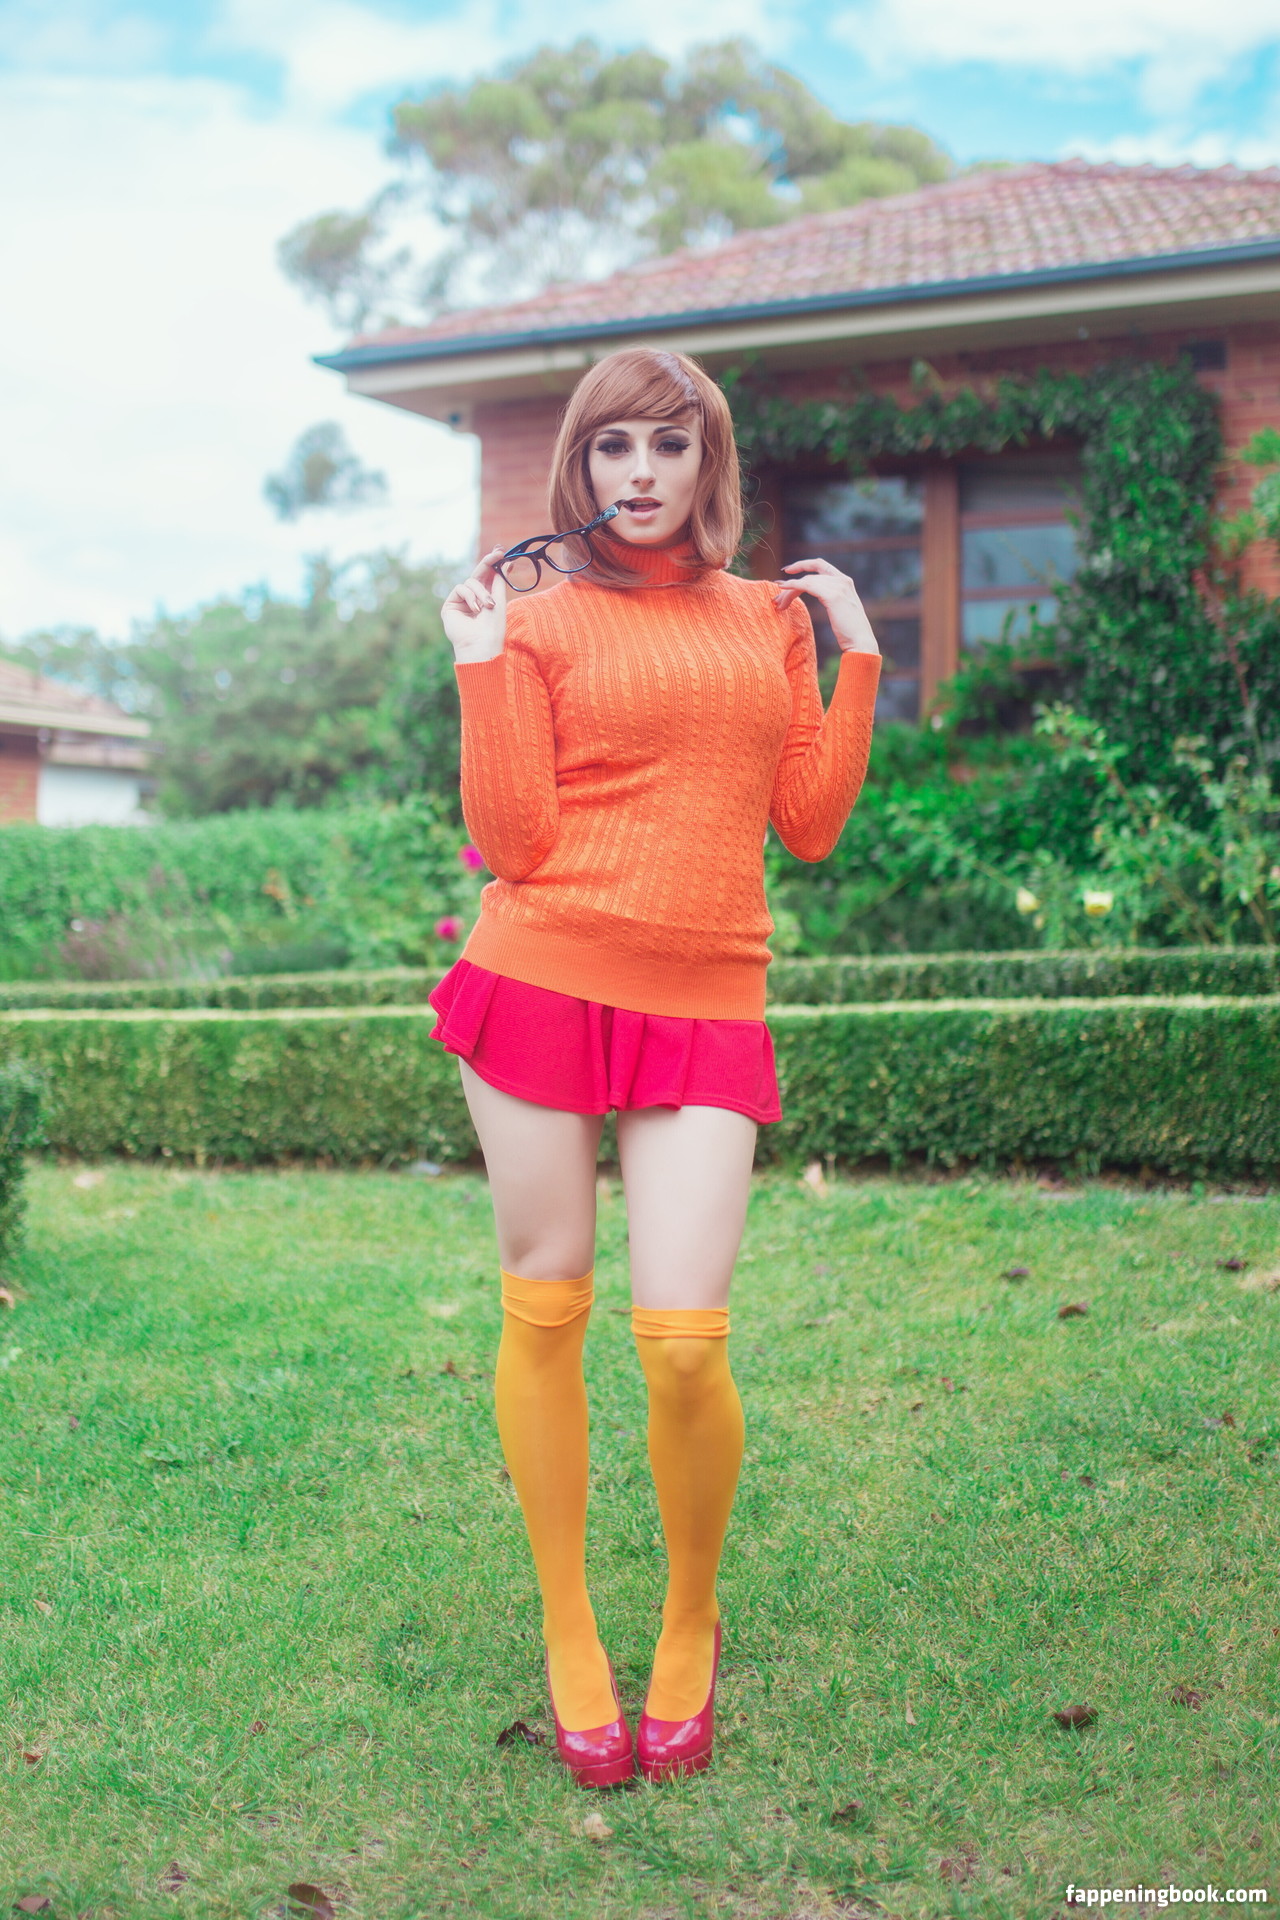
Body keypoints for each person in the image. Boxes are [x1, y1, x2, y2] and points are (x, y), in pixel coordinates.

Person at [435, 346, 881, 1788]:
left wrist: (859, 654)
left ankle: (691, 1618)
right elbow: (514, 842)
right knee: (548, 1302)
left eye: (668, 445)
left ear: (708, 464)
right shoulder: (537, 621)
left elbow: (809, 822)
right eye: (613, 446)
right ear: (580, 463)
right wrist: (481, 662)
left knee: (685, 1341)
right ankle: (570, 1625)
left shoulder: (768, 620)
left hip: (705, 997)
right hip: (541, 978)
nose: (639, 473)